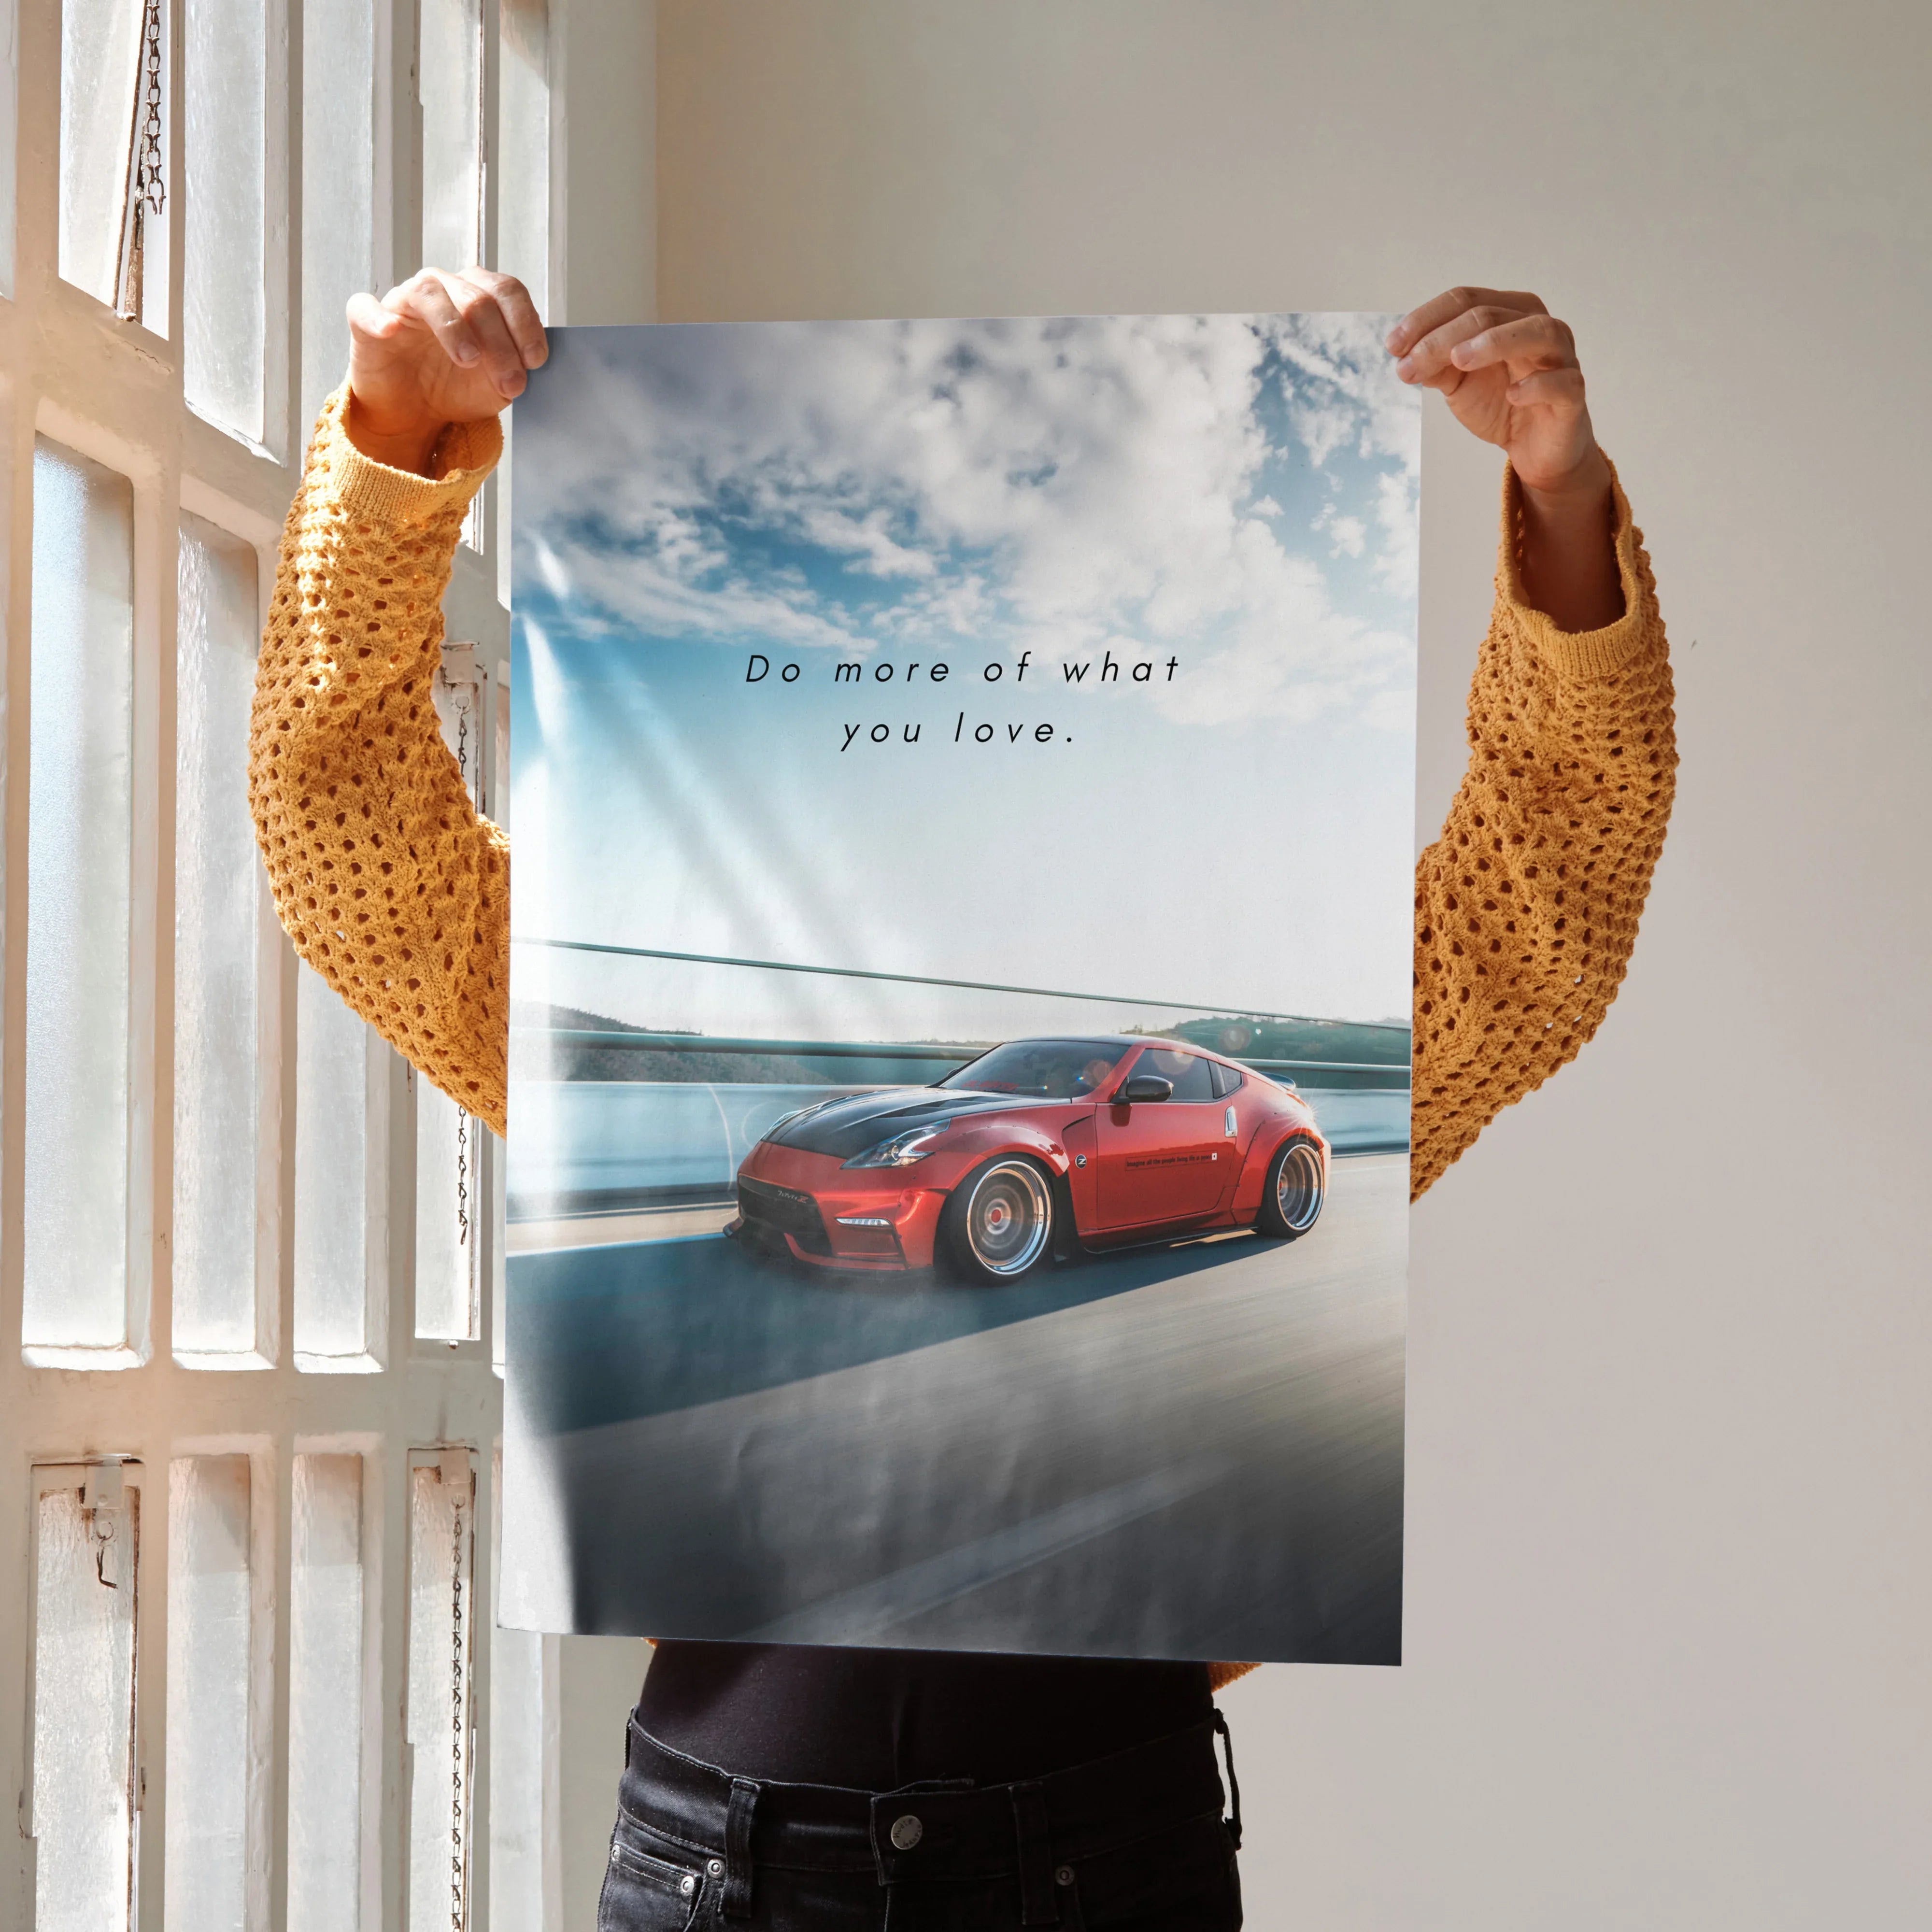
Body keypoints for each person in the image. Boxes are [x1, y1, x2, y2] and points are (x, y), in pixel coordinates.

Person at [250, 269, 1675, 1929]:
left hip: (1099, 1853)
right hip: (728, 1862)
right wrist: (392, 446)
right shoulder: (730, 1021)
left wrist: (1561, 499)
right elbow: (347, 845)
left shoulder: (1231, 1090)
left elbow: (1547, 903)